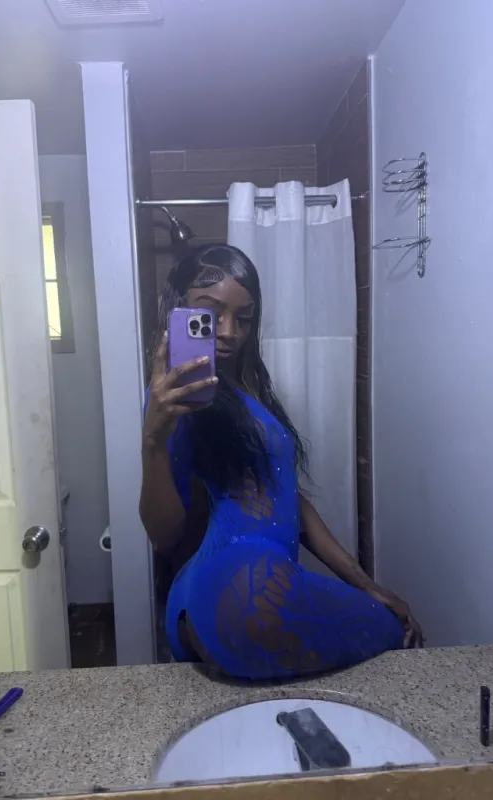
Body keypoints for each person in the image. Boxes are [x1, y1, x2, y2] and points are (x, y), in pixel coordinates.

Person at [140, 243, 422, 680]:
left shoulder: (246, 389)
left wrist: (366, 583)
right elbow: (163, 534)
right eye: (211, 313)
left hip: (258, 585)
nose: (229, 331)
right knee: (390, 634)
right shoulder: (176, 397)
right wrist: (152, 442)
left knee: (394, 626)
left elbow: (288, 499)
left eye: (244, 318)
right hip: (230, 583)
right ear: (181, 311)